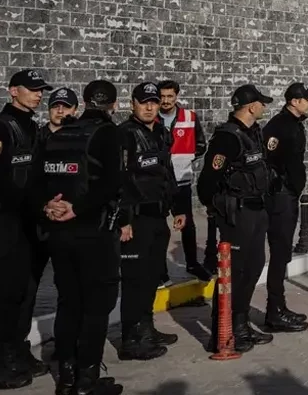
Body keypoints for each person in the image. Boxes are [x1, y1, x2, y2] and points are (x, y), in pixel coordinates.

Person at [35, 79, 125, 395]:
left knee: (69, 302)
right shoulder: (108, 134)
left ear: (84, 101)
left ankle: (66, 376)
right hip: (93, 234)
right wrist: (77, 208)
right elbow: (113, 183)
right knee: (96, 307)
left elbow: (38, 180)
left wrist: (49, 205)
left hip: (59, 234)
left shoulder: (59, 135)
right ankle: (87, 381)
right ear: (113, 105)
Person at [0, 69, 49, 389]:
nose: (38, 95)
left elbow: (36, 178)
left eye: (40, 90)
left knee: (20, 293)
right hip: (0, 224)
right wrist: (36, 206)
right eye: (31, 89)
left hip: (26, 225)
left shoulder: (32, 128)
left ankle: (11, 352)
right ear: (12, 91)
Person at [10, 86, 79, 386]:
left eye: (66, 107)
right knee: (26, 290)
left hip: (67, 225)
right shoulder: (35, 138)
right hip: (38, 224)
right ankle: (17, 348)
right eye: (56, 106)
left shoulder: (80, 139)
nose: (60, 112)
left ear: (75, 110)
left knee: (68, 288)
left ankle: (65, 347)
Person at [198, 84, 276, 352]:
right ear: (252, 106)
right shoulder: (227, 138)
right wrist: (218, 207)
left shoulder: (253, 133)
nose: (264, 107)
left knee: (254, 266)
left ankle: (240, 324)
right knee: (234, 271)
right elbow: (208, 179)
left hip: (256, 210)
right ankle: (223, 329)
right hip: (237, 213)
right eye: (261, 103)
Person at [116, 82, 184, 360]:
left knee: (151, 278)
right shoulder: (124, 135)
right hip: (136, 218)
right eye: (143, 102)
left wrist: (179, 208)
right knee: (135, 280)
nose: (149, 106)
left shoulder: (160, 133)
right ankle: (131, 340)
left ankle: (147, 328)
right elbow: (119, 179)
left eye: (153, 102)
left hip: (158, 216)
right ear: (132, 103)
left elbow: (168, 172)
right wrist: (124, 219)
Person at [260, 82, 308, 333]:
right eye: (307, 100)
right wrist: (288, 185)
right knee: (279, 251)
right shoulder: (279, 127)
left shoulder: (293, 125)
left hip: (288, 194)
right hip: (280, 196)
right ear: (294, 101)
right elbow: (271, 160)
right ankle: (274, 312)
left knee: (283, 254)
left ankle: (279, 307)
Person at [157, 80, 211, 282]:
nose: (165, 101)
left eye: (170, 96)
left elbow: (201, 144)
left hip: (181, 180)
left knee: (187, 224)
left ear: (176, 96)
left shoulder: (189, 117)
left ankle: (192, 263)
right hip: (159, 183)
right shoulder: (152, 117)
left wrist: (186, 157)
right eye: (162, 96)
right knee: (159, 228)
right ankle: (160, 271)